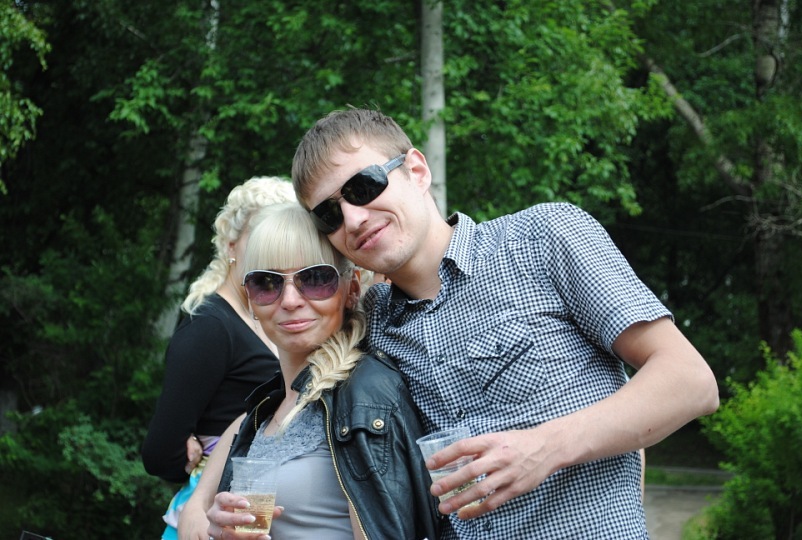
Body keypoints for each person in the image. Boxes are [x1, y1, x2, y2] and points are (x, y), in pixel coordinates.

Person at [289, 108, 721, 538]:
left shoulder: (541, 238)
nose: (353, 219)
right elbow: (289, 393)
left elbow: (690, 382)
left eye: (363, 187)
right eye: (329, 214)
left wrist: (544, 447)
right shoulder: (371, 323)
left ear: (417, 171)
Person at [184, 202, 442, 540]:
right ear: (250, 299)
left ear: (351, 290)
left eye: (316, 278)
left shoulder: (366, 393)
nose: (290, 300)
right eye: (266, 283)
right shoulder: (264, 410)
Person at [142, 176, 295, 540]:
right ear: (231, 245)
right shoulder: (209, 326)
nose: (268, 250)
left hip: (257, 512)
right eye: (258, 238)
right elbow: (160, 452)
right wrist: (204, 460)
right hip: (212, 517)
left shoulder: (271, 316)